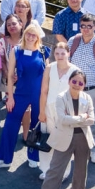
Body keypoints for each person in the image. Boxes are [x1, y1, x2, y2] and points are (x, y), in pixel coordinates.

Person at [34, 64, 95, 189]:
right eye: (74, 81)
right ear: (69, 81)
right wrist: (82, 117)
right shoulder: (61, 97)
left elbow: (92, 120)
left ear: (84, 85)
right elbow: (62, 119)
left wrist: (73, 119)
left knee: (82, 168)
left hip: (83, 138)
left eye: (80, 83)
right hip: (64, 137)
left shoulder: (87, 97)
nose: (77, 85)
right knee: (55, 169)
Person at [0, 23, 47, 171]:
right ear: (25, 34)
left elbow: (47, 77)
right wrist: (10, 97)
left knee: (37, 126)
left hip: (38, 95)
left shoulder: (43, 52)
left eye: (34, 34)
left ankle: (34, 157)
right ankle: (3, 158)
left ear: (38, 37)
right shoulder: (16, 50)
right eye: (28, 33)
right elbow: (10, 76)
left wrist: (46, 99)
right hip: (20, 93)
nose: (30, 37)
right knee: (10, 124)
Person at [67, 13, 95, 164]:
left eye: (89, 26)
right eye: (83, 26)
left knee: (93, 120)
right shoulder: (73, 41)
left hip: (91, 89)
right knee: (71, 116)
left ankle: (93, 149)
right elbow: (65, 64)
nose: (86, 29)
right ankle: (71, 147)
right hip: (72, 89)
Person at [36, 40, 77, 176]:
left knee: (63, 141)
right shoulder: (49, 68)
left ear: (68, 53)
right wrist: (42, 111)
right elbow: (44, 91)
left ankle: (63, 172)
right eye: (57, 53)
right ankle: (45, 169)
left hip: (65, 111)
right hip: (48, 108)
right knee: (47, 138)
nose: (60, 56)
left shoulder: (75, 71)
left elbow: (76, 94)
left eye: (62, 53)